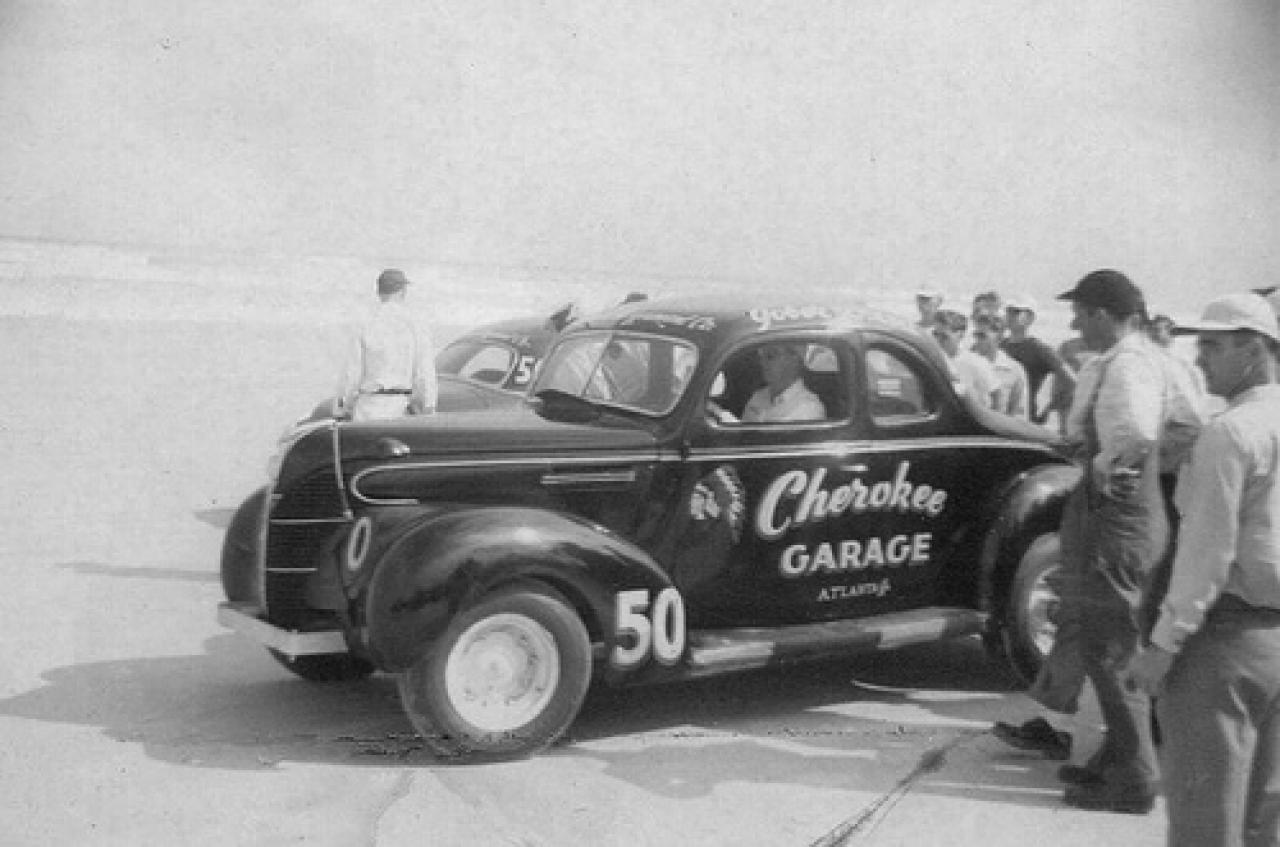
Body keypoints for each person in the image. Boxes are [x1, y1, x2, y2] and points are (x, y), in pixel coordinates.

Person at [995, 269, 1201, 814]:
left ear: (1105, 314)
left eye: (1082, 314)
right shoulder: (1155, 359)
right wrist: (1151, 470)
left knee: (1108, 647)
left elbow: (1138, 433)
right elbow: (1188, 423)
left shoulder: (1129, 363)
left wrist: (1112, 466)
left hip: (1116, 512)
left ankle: (1134, 777)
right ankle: (1116, 755)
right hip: (1131, 508)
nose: (1076, 325)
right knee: (1107, 636)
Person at [1125, 292, 1280, 845]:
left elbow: (1206, 555)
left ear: (1254, 350)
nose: (1199, 358)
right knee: (1264, 824)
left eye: (1213, 345)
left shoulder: (1230, 432)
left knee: (1204, 825)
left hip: (1222, 644)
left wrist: (1163, 646)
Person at [336, 268, 438, 422]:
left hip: (367, 408)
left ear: (378, 292)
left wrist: (344, 407)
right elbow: (424, 373)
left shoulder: (365, 323)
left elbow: (351, 374)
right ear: (403, 291)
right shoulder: (416, 325)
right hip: (400, 409)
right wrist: (428, 406)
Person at [1003, 295, 1077, 428]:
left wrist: (1051, 406)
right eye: (1009, 311)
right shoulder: (1000, 346)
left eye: (1016, 312)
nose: (1010, 316)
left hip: (1026, 420)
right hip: (1001, 416)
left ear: (1030, 318)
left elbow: (1071, 380)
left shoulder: (1039, 349)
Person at [741, 342, 826, 423]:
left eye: (770, 356)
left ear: (794, 360)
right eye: (761, 357)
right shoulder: (758, 397)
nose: (762, 363)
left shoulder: (809, 409)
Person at [932, 309, 998, 408]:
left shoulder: (977, 363)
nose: (938, 340)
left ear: (960, 335)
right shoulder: (930, 360)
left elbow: (997, 395)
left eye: (944, 337)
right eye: (935, 334)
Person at [972, 313, 1029, 418]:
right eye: (976, 335)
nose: (977, 341)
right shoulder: (963, 363)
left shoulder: (1014, 370)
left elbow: (1018, 415)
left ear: (999, 338)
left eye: (982, 336)